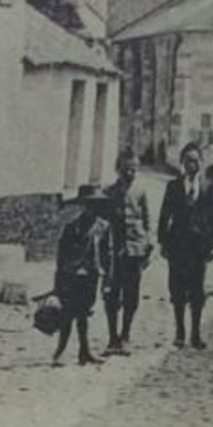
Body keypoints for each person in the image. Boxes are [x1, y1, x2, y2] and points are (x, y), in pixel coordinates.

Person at [158, 142, 213, 350]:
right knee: (177, 290)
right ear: (183, 163)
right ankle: (180, 332)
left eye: (196, 160)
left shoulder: (208, 187)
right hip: (178, 245)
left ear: (201, 162)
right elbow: (165, 216)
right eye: (189, 161)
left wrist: (211, 246)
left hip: (198, 248)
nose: (193, 164)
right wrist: (163, 242)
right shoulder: (173, 186)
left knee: (197, 291)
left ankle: (196, 334)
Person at [51, 186, 113, 367]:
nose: (92, 208)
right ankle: (60, 351)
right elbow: (61, 256)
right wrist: (58, 280)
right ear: (83, 205)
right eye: (89, 204)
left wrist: (107, 280)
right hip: (71, 276)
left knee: (84, 313)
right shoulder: (72, 227)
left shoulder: (103, 227)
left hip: (91, 276)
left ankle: (84, 352)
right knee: (68, 314)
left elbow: (107, 255)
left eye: (96, 204)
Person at [103, 149, 152, 355]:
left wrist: (148, 245)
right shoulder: (110, 193)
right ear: (118, 169)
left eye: (133, 169)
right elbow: (103, 224)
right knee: (111, 295)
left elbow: (147, 220)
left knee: (131, 295)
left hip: (135, 250)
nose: (129, 173)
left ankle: (125, 335)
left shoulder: (140, 192)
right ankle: (112, 337)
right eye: (125, 169)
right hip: (114, 252)